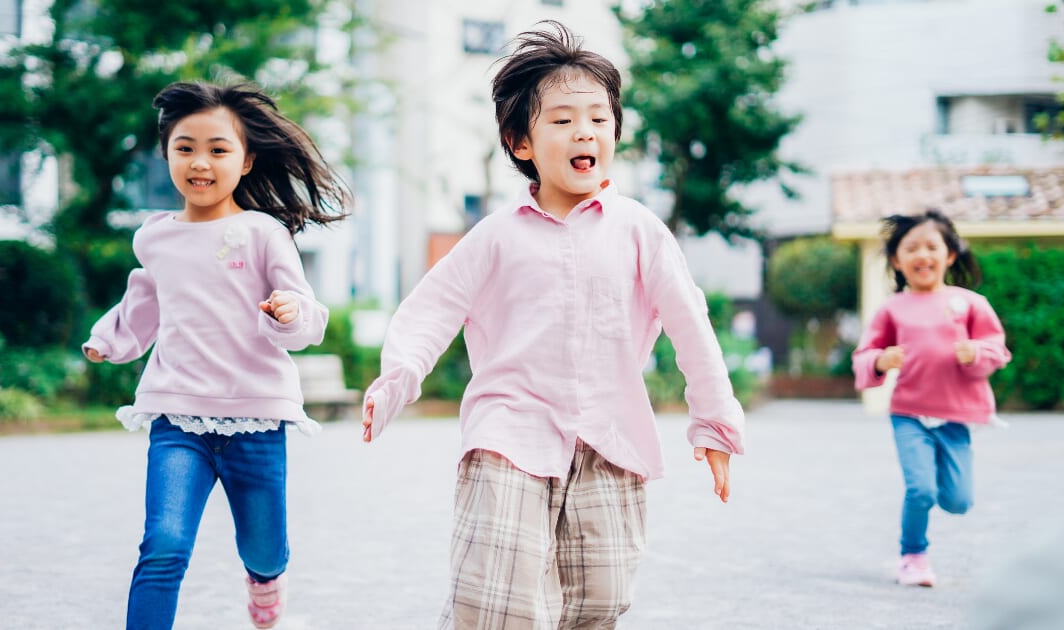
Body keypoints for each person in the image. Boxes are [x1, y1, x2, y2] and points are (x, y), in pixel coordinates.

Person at [361, 21, 745, 629]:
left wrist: (713, 423)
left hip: (610, 440)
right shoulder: (495, 235)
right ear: (521, 142)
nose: (585, 130)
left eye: (599, 117)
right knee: (496, 600)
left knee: (599, 599)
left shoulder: (640, 230)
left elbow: (690, 326)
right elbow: (431, 308)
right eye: (563, 119)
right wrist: (398, 379)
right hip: (508, 434)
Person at [82, 79, 349, 629]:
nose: (200, 162)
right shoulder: (154, 237)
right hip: (177, 416)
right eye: (185, 148)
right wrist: (109, 341)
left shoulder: (262, 232)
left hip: (256, 417)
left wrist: (289, 315)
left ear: (247, 160)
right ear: (167, 154)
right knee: (164, 545)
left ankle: (266, 580)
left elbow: (305, 314)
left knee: (264, 549)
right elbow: (145, 301)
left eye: (217, 149)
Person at [852, 209, 1011, 588]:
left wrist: (976, 353)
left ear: (950, 255)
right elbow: (863, 357)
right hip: (909, 413)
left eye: (931, 247)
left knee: (958, 501)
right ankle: (913, 557)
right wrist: (880, 360)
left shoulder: (970, 303)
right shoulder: (892, 309)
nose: (922, 255)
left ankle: (937, 493)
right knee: (920, 489)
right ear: (896, 260)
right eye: (911, 248)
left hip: (956, 416)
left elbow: (997, 349)